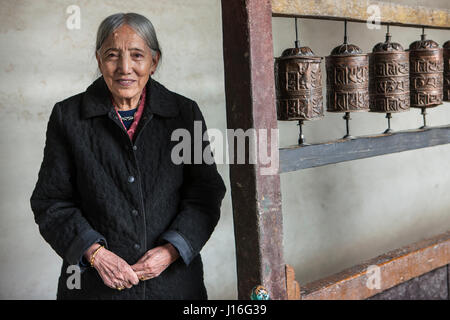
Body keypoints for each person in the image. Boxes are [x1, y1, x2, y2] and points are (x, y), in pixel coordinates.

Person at [30, 12, 226, 300]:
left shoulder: (184, 114)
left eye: (137, 55)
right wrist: (96, 255)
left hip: (173, 286)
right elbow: (51, 201)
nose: (125, 67)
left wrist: (172, 250)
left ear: (154, 61)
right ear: (99, 60)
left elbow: (205, 194)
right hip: (95, 289)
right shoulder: (68, 117)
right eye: (112, 55)